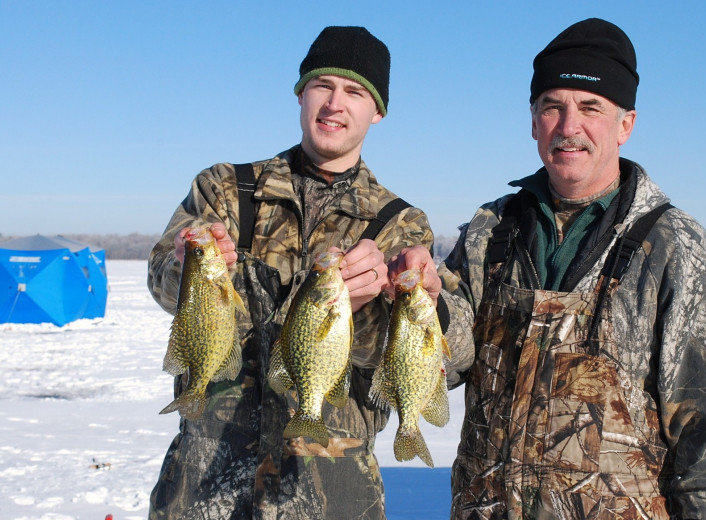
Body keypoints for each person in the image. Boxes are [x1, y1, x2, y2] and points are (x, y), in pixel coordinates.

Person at [428, 18, 706, 520]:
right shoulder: (491, 229)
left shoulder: (673, 245)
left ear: (625, 124)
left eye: (589, 108)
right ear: (533, 121)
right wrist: (423, 306)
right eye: (552, 106)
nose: (568, 126)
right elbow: (444, 365)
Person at [146, 26, 472, 520]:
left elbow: (441, 357)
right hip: (204, 479)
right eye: (323, 85)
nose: (334, 104)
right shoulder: (226, 189)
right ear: (301, 93)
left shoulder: (401, 225)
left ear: (377, 111)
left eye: (355, 92)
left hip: (334, 488)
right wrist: (188, 260)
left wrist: (409, 299)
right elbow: (161, 283)